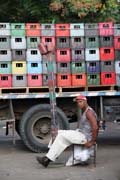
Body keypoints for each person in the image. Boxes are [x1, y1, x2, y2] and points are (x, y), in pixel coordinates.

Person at [36, 94, 98, 168]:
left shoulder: (89, 112)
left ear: (85, 101)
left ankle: (47, 159)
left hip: (84, 137)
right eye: (77, 102)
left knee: (61, 136)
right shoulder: (85, 111)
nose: (79, 104)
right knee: (57, 132)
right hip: (80, 134)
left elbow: (95, 127)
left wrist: (91, 142)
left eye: (80, 102)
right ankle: (52, 153)